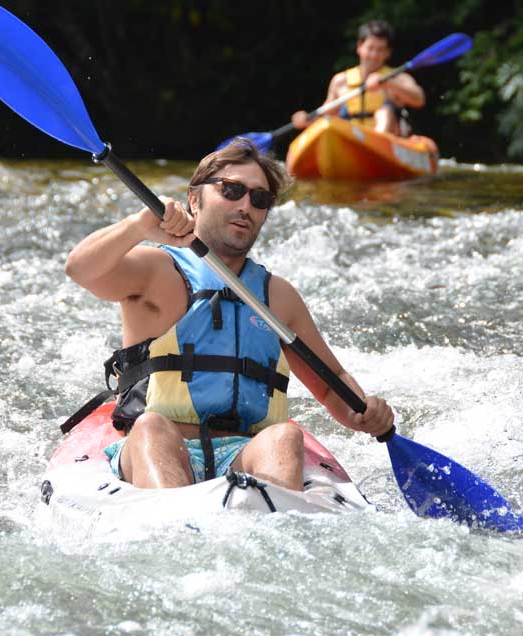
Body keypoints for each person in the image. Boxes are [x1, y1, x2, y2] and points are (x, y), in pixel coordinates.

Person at [64, 138, 393, 491]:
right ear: (195, 198)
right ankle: (173, 524)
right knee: (152, 428)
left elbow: (331, 384)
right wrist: (139, 226)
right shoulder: (158, 271)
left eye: (259, 198)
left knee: (284, 436)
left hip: (246, 450)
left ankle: (270, 524)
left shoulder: (277, 296)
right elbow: (81, 270)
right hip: (163, 444)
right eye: (231, 190)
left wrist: (364, 412)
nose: (245, 206)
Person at [291, 19, 425, 136]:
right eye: (370, 48)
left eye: (380, 50)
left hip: (387, 143)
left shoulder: (397, 77)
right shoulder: (341, 81)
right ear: (359, 47)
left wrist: (389, 83)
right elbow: (326, 114)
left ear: (388, 53)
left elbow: (419, 99)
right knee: (334, 123)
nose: (374, 55)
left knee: (385, 112)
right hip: (352, 143)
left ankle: (375, 145)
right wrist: (307, 119)